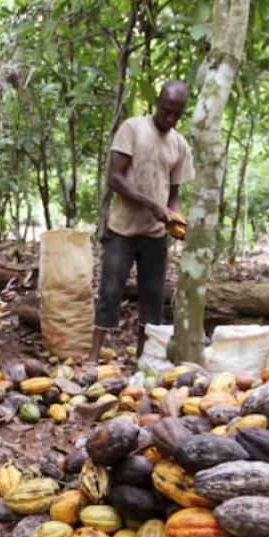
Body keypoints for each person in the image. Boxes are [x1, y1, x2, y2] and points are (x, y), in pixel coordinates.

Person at [89, 80, 195, 366]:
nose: (170, 118)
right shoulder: (133, 129)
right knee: (110, 292)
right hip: (121, 230)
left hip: (155, 236)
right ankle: (93, 357)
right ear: (158, 103)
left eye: (177, 113)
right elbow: (115, 178)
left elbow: (173, 197)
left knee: (152, 300)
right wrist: (153, 206)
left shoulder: (180, 145)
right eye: (166, 110)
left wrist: (178, 220)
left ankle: (142, 360)